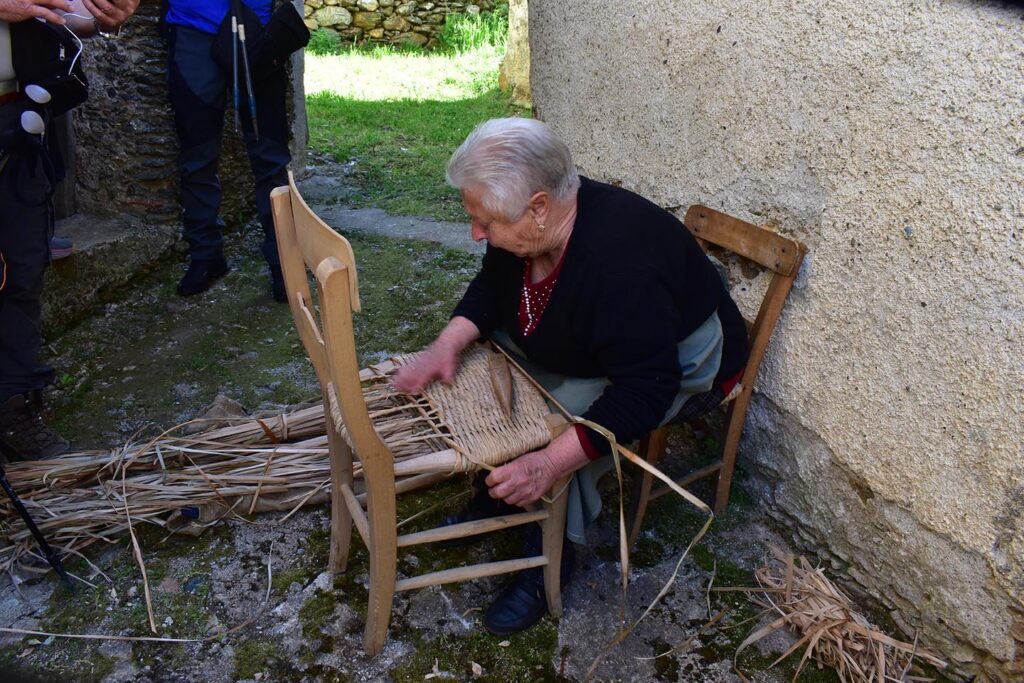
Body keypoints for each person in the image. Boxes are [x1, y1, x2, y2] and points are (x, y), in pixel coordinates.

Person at [393, 118, 749, 635]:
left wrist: (547, 462)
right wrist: (444, 346)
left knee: (563, 425)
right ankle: (495, 498)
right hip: (600, 340)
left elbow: (645, 390)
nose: (476, 233)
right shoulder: (527, 228)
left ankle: (549, 556)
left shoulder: (619, 265)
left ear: (538, 208)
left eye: (484, 222)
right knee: (486, 367)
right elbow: (492, 289)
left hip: (680, 359)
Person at [0, 0, 138, 461]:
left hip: (16, 118)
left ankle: (13, 412)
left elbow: (56, 13)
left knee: (21, 271)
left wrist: (99, 18)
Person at [163, 0, 292, 301]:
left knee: (270, 155)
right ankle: (206, 256)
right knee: (196, 154)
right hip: (191, 26)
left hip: (256, 28)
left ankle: (284, 259)